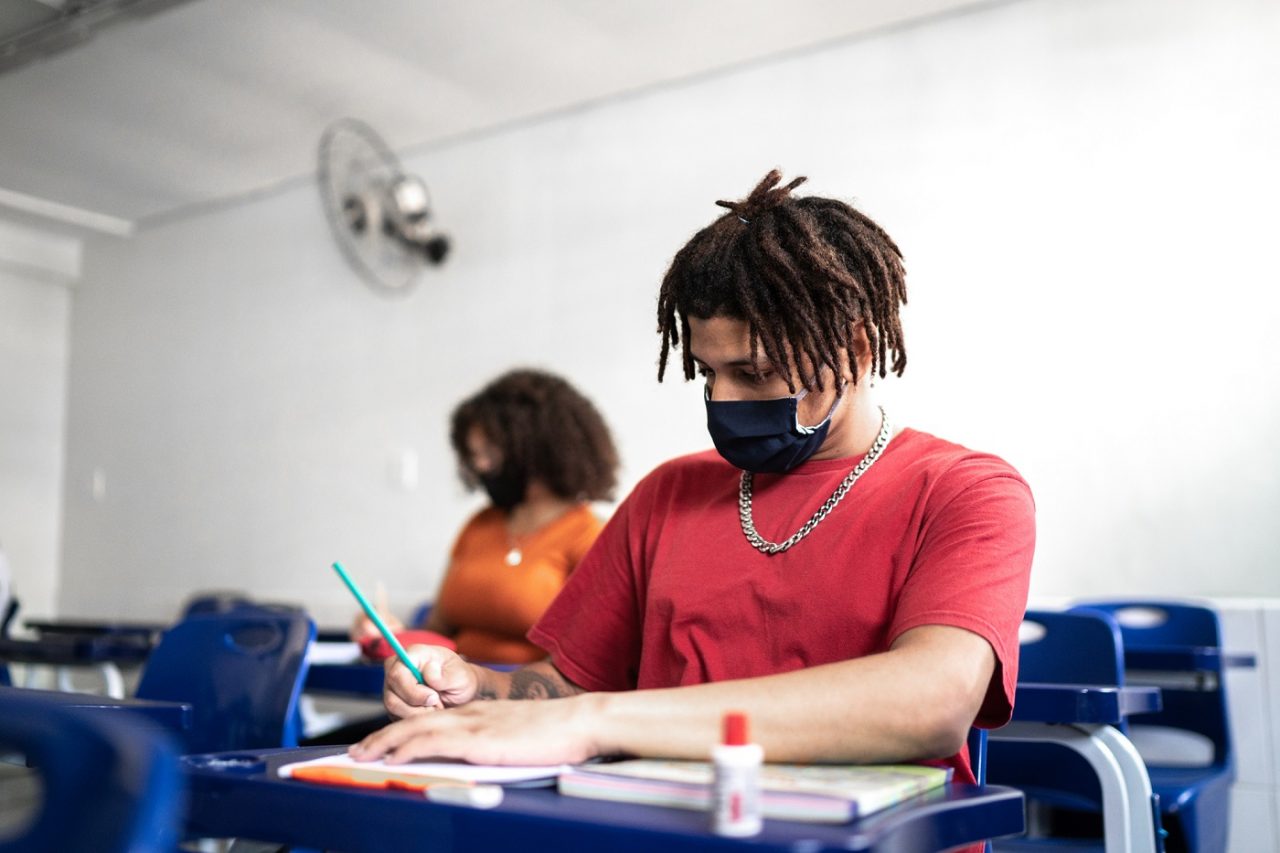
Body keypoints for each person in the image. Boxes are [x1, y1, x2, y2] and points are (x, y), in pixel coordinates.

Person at [352, 171, 1035, 796]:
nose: (727, 399)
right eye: (709, 374)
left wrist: (598, 721)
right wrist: (477, 690)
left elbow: (931, 703)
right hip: (657, 822)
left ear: (855, 352)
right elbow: (561, 690)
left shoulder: (965, 492)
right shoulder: (668, 495)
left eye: (756, 371)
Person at [351, 368, 619, 664]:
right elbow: (438, 631)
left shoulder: (590, 536)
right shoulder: (480, 525)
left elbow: (583, 662)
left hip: (524, 702)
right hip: (447, 690)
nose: (479, 465)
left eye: (490, 452)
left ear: (542, 450)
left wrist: (489, 688)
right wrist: (394, 636)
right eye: (473, 454)